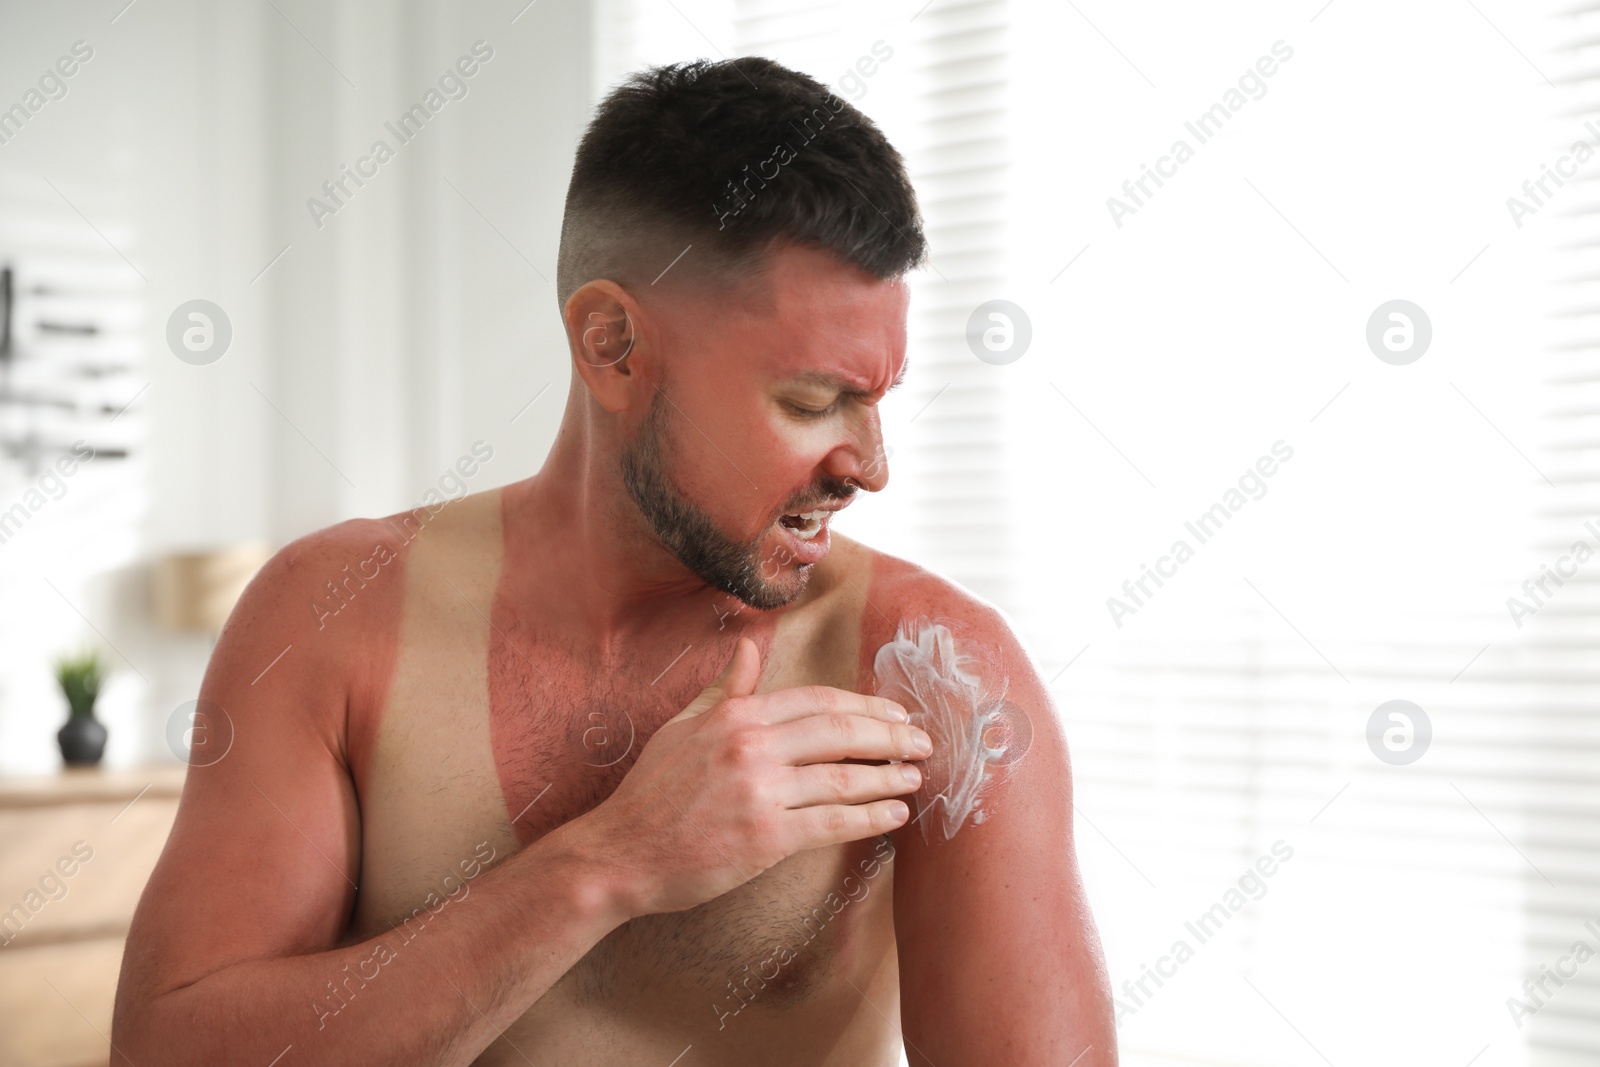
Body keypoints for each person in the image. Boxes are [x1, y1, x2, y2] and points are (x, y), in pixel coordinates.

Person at [112, 56, 1116, 1066]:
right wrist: (609, 864)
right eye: (812, 403)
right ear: (612, 344)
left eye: (876, 398)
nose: (868, 465)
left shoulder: (932, 671)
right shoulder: (334, 610)